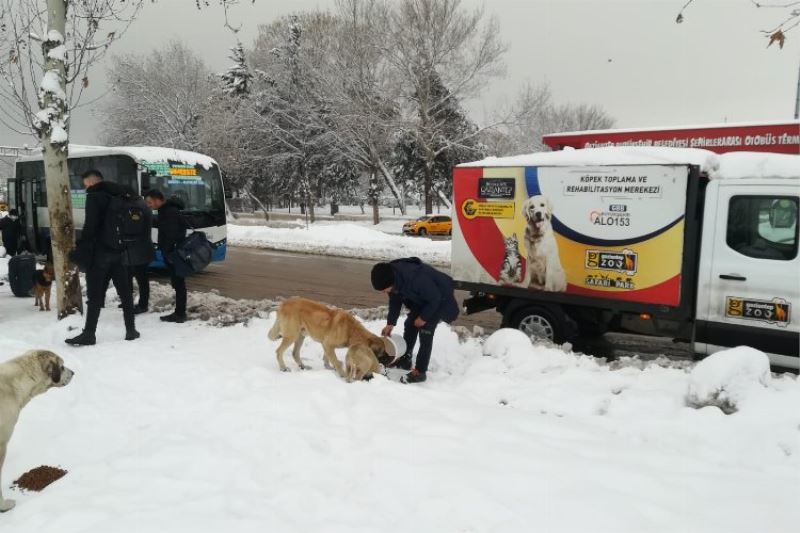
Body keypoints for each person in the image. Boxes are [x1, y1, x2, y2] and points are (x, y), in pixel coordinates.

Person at [66, 170, 139, 346]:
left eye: (85, 185)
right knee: (125, 293)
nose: (85, 188)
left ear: (91, 183)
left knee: (95, 295)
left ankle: (89, 334)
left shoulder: (94, 197)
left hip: (99, 255)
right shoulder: (121, 196)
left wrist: (82, 248)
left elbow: (90, 227)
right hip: (119, 252)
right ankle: (131, 330)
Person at [371, 257, 459, 383]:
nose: (384, 292)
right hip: (423, 298)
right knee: (410, 324)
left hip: (439, 297)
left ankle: (420, 371)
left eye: (384, 290)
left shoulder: (415, 279)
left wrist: (423, 318)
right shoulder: (391, 275)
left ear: (391, 283)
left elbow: (435, 298)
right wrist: (390, 323)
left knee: (426, 330)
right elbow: (395, 300)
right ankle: (405, 359)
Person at [144, 189, 188, 323]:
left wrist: (168, 252)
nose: (149, 205)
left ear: (158, 200)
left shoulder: (169, 212)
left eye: (150, 202)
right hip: (173, 253)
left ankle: (180, 314)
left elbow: (171, 234)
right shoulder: (167, 211)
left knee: (179, 283)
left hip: (174, 254)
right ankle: (179, 312)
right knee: (177, 283)